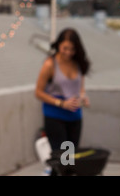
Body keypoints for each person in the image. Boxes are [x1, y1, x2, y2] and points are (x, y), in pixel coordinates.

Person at [34, 28, 91, 167]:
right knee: (62, 159)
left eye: (72, 49)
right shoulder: (50, 64)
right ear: (59, 45)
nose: (68, 52)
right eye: (65, 48)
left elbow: (80, 87)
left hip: (75, 117)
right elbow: (38, 92)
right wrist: (61, 103)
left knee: (70, 159)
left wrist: (83, 97)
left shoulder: (78, 63)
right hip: (55, 116)